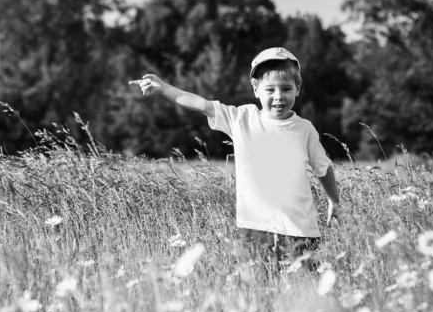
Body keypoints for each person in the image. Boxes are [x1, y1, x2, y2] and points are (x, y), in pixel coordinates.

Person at [129, 47, 340, 269]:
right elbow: (201, 104)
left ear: (297, 89)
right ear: (256, 89)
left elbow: (322, 167)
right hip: (254, 230)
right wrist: (164, 88)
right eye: (270, 89)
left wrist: (334, 201)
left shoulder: (305, 129)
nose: (278, 96)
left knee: (305, 295)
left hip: (301, 232)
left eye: (286, 88)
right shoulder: (242, 118)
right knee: (257, 295)